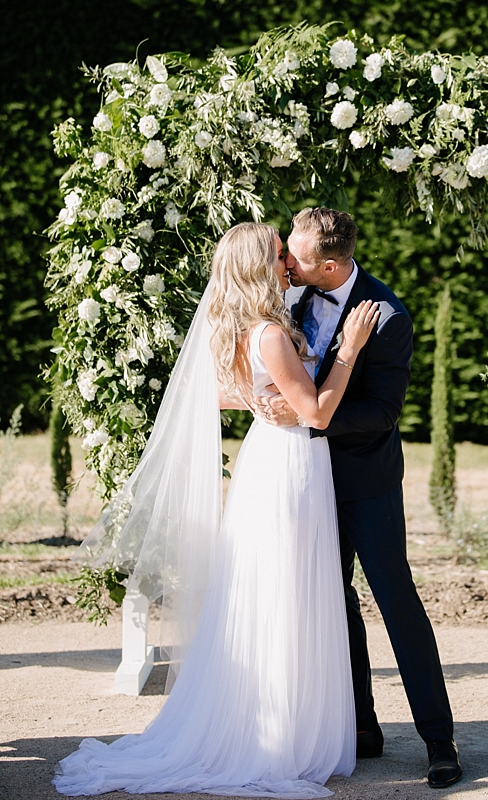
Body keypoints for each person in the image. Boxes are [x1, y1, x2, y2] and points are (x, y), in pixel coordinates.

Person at [53, 222, 379, 799]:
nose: (288, 264)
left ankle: (277, 725)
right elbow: (318, 413)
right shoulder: (272, 336)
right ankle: (280, 737)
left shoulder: (232, 328)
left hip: (267, 464)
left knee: (266, 590)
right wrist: (348, 352)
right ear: (260, 265)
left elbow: (213, 387)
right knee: (286, 591)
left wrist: (250, 397)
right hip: (288, 469)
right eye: (280, 256)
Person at [255, 207, 462, 789]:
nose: (285, 263)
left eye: (293, 257)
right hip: (305, 479)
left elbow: (382, 414)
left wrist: (310, 420)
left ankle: (439, 739)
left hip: (366, 484)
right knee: (332, 602)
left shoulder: (388, 315)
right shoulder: (290, 299)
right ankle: (362, 723)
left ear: (327, 264)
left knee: (396, 600)